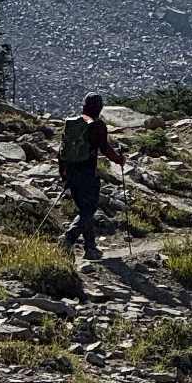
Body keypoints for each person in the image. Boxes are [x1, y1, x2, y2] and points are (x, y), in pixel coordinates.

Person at [57, 93, 125, 261]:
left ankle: (90, 248)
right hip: (87, 172)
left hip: (71, 171)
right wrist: (119, 159)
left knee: (83, 210)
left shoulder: (72, 123)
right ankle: (69, 237)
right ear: (100, 108)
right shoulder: (97, 125)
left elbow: (61, 150)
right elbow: (105, 148)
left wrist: (63, 173)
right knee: (89, 209)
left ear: (83, 105)